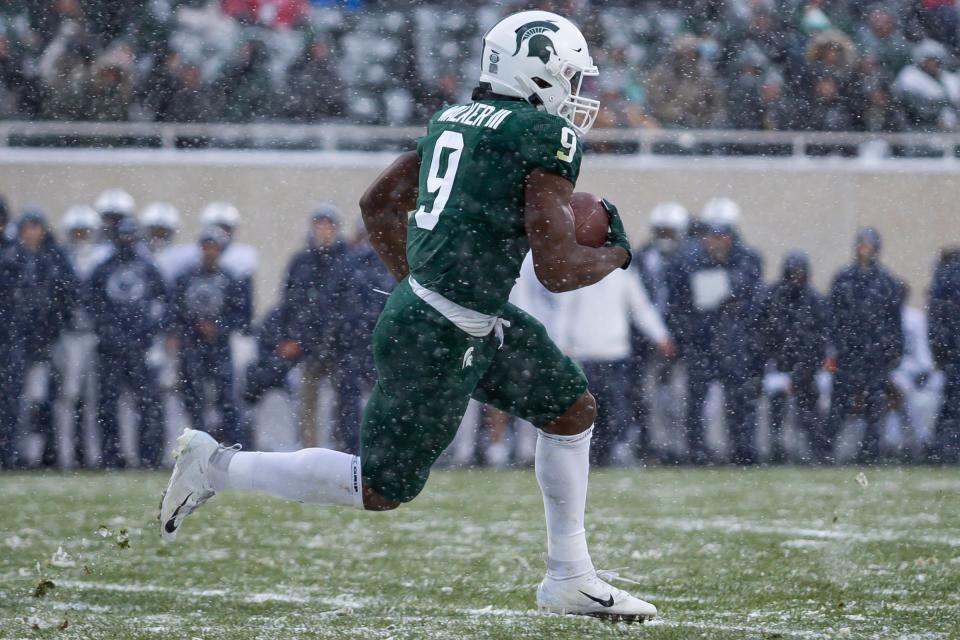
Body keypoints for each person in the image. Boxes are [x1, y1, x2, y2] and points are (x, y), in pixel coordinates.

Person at [161, 10, 659, 622]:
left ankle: (570, 577)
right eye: (570, 77)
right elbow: (557, 272)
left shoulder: (454, 117)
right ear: (537, 72)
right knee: (379, 488)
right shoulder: (541, 136)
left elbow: (377, 202)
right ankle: (216, 465)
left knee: (570, 407)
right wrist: (617, 249)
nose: (579, 96)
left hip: (461, 313)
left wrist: (422, 282)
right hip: (440, 329)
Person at [667, 197, 764, 465]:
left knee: (740, 401)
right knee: (696, 403)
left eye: (722, 235)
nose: (716, 241)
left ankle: (743, 451)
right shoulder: (689, 259)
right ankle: (696, 452)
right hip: (701, 342)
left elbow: (753, 300)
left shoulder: (748, 258)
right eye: (712, 235)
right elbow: (680, 303)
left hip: (734, 342)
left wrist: (722, 291)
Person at [553, 266, 674, 466]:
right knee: (587, 410)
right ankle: (592, 454)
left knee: (616, 409)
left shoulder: (624, 275)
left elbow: (641, 308)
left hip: (615, 355)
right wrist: (560, 344)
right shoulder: (577, 274)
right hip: (583, 355)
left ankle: (611, 450)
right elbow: (563, 311)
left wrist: (660, 336)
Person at [85, 218, 167, 468]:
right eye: (123, 235)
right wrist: (107, 332)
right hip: (110, 348)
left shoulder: (148, 267)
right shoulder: (103, 268)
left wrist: (149, 333)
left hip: (140, 348)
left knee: (148, 404)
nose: (127, 240)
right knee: (107, 405)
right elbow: (90, 304)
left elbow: (164, 302)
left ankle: (148, 457)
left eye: (132, 235)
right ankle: (111, 457)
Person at [4, 209, 76, 467]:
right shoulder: (11, 257)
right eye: (28, 228)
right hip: (15, 341)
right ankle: (16, 453)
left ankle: (44, 454)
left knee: (48, 400)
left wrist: (55, 325)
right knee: (17, 401)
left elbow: (67, 296)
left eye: (37, 227)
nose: (33, 233)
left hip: (48, 340)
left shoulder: (54, 258)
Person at [827, 227, 905, 464]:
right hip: (848, 353)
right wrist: (835, 347)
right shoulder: (843, 279)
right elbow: (834, 317)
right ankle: (827, 450)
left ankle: (871, 452)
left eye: (868, 244)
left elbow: (894, 320)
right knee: (839, 403)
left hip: (876, 355)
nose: (864, 249)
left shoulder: (887, 282)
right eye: (861, 244)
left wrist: (893, 351)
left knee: (874, 405)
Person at [281, 205, 353, 449]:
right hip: (308, 345)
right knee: (307, 403)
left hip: (341, 345)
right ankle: (309, 450)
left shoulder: (347, 261)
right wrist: (290, 336)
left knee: (345, 401)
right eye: (320, 226)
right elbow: (288, 302)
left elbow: (351, 303)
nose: (324, 232)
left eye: (328, 226)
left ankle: (342, 448)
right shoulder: (301, 262)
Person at [168, 227, 248, 446]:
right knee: (193, 399)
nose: (210, 252)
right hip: (192, 346)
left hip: (220, 347)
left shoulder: (230, 278)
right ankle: (199, 445)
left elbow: (242, 315)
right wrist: (190, 329)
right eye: (206, 247)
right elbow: (174, 311)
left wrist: (219, 328)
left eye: (214, 247)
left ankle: (232, 445)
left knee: (227, 399)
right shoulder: (186, 277)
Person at [753, 251, 830, 463]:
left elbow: (819, 340)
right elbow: (761, 336)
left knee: (809, 409)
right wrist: (769, 367)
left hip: (806, 369)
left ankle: (818, 452)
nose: (796, 279)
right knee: (776, 405)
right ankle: (776, 449)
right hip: (776, 368)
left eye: (800, 274)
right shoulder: (771, 298)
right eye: (792, 274)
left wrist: (802, 371)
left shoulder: (814, 301)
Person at [631, 202, 689, 463]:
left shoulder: (691, 258)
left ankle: (679, 447)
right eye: (661, 231)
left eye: (670, 232)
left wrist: (677, 332)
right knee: (647, 396)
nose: (665, 237)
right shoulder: (641, 258)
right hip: (647, 340)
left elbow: (692, 304)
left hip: (681, 338)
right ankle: (654, 446)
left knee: (680, 396)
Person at [53, 205, 102, 467]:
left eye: (86, 232)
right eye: (77, 232)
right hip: (69, 334)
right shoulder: (61, 258)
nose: (81, 237)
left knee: (93, 397)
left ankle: (93, 455)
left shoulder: (101, 258)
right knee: (68, 395)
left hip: (94, 333)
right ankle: (65, 456)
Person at [928, 246, 960, 462]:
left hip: (950, 353)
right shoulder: (948, 282)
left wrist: (941, 351)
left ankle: (942, 449)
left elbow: (937, 323)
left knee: (950, 403)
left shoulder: (942, 282)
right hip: (952, 352)